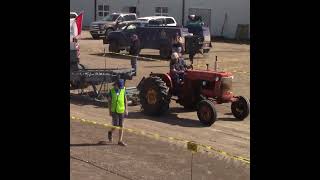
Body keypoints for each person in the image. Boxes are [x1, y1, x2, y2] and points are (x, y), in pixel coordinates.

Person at [107, 79, 128, 146]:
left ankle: (120, 140)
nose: (120, 88)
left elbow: (125, 99)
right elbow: (109, 102)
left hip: (121, 110)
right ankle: (110, 132)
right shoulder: (111, 91)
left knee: (121, 125)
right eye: (119, 86)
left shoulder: (123, 89)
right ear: (116, 85)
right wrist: (109, 110)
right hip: (114, 111)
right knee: (115, 125)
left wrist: (126, 109)